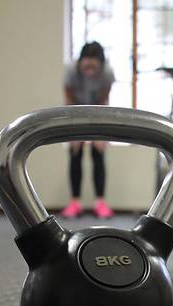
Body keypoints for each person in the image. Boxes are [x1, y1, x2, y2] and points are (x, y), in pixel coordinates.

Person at [61, 41, 116, 219]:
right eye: (87, 64)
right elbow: (68, 100)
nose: (90, 69)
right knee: (75, 153)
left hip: (97, 110)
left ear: (101, 64)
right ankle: (75, 203)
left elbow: (103, 100)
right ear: (80, 61)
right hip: (74, 110)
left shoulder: (107, 73)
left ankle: (100, 203)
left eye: (94, 66)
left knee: (98, 152)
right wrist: (73, 132)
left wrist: (100, 133)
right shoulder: (70, 71)